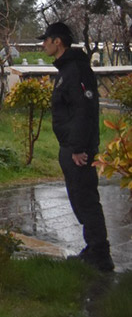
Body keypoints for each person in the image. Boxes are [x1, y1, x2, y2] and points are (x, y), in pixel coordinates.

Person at [40, 21, 114, 272]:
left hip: (77, 149)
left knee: (86, 199)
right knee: (78, 198)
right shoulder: (66, 69)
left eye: (46, 40)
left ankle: (101, 254)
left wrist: (79, 147)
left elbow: (84, 110)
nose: (43, 45)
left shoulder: (77, 69)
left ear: (57, 42)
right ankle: (92, 247)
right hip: (69, 146)